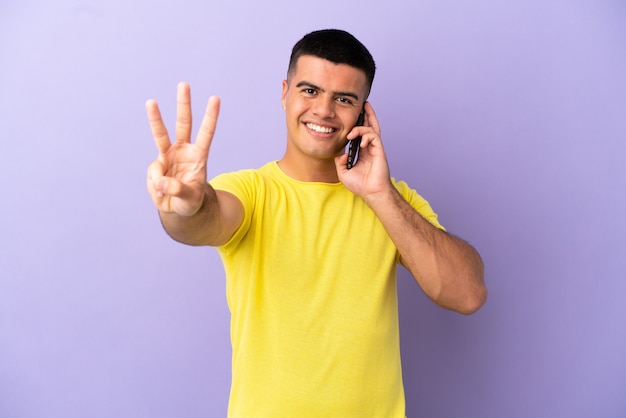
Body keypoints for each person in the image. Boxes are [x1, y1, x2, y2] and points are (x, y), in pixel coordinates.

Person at [146, 29, 486, 418]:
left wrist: (379, 195)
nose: (324, 110)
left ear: (363, 112)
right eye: (310, 91)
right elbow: (202, 222)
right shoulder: (250, 191)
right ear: (285, 93)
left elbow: (467, 294)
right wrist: (184, 206)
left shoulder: (393, 201)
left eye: (343, 99)